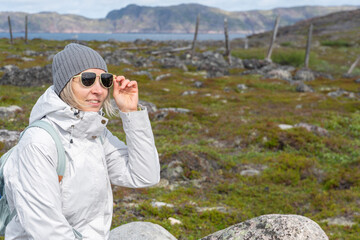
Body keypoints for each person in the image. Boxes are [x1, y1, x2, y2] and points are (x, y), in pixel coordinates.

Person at [3, 43, 160, 239]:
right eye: (87, 80)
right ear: (66, 85)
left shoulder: (95, 135)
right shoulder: (39, 142)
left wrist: (130, 113)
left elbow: (145, 175)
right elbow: (47, 230)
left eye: (105, 80)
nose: (99, 90)